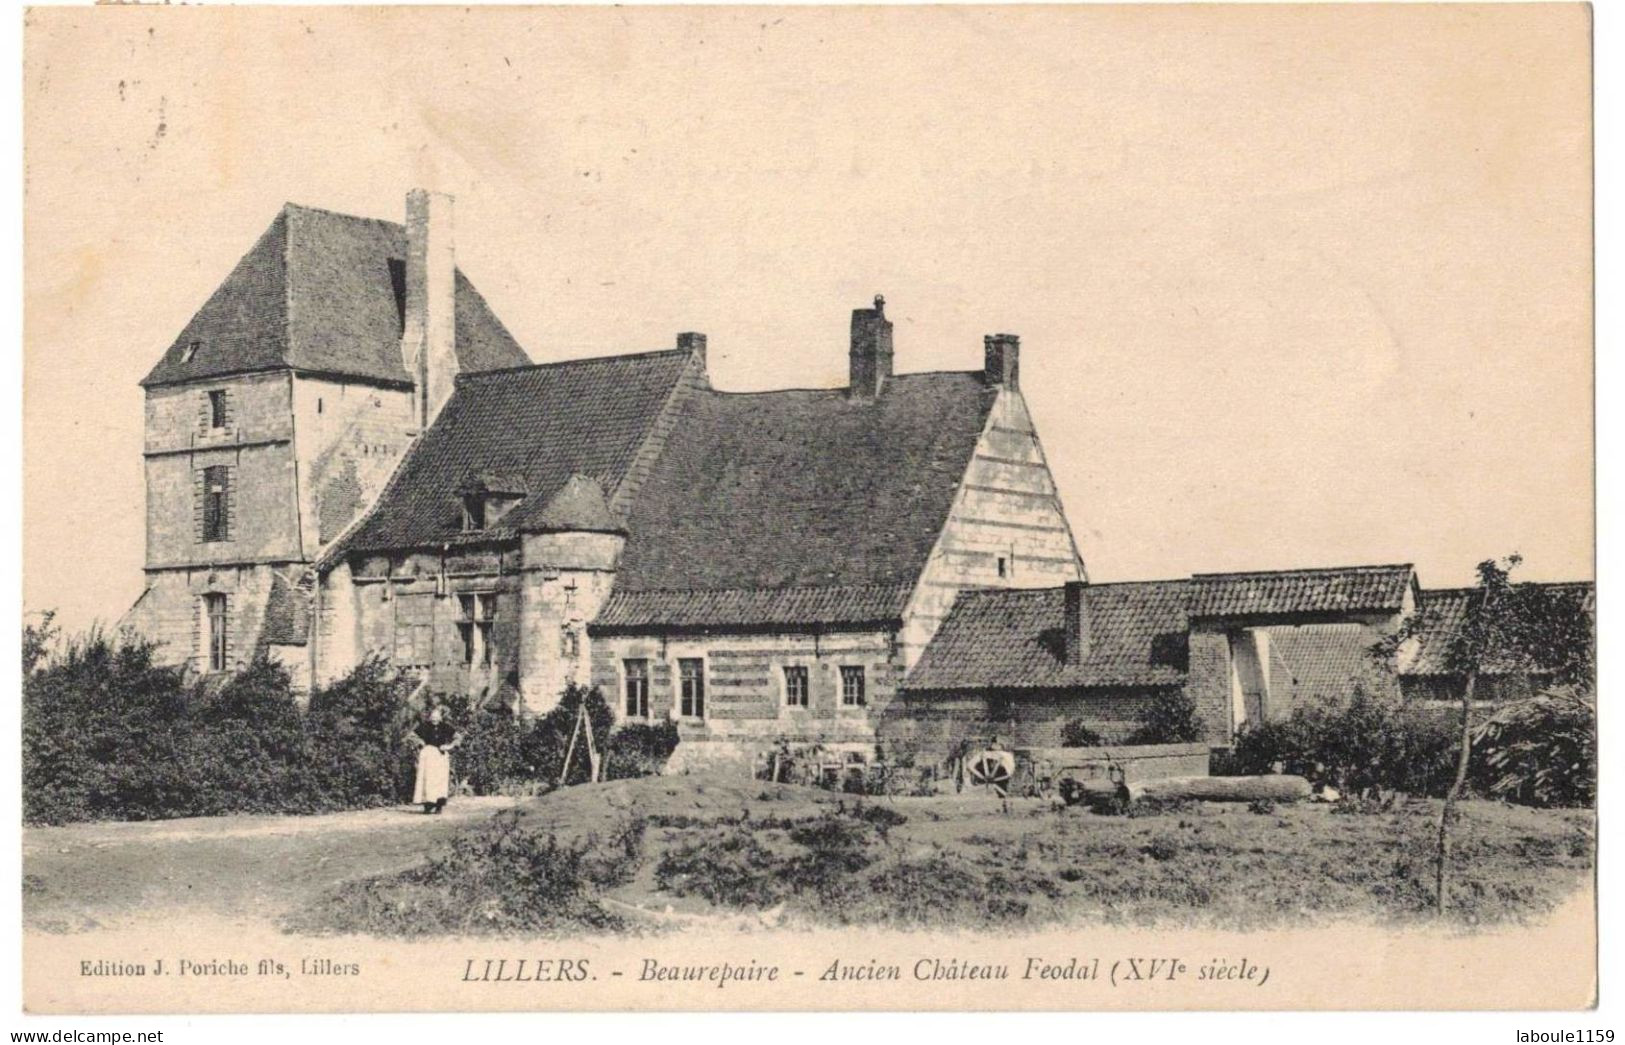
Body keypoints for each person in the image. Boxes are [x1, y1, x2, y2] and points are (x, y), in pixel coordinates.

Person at [409, 703, 462, 814]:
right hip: (428, 755)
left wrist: (449, 746)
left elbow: (458, 737)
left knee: (440, 780)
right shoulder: (424, 726)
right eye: (432, 716)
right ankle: (428, 805)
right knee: (428, 780)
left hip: (440, 755)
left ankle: (439, 805)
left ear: (441, 717)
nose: (434, 718)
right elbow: (412, 736)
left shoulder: (446, 727)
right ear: (429, 717)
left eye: (437, 716)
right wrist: (420, 742)